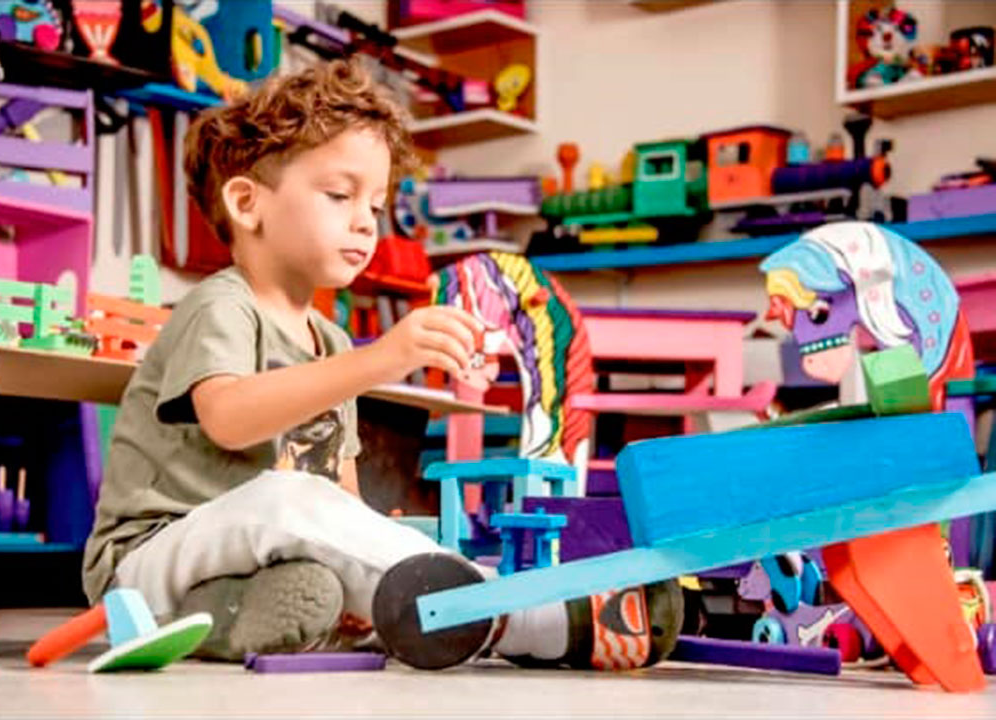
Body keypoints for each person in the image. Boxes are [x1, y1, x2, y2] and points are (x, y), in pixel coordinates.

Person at [82, 58, 680, 669]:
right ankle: (524, 615)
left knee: (324, 577)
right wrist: (383, 358)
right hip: (143, 562)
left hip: (246, 564)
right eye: (340, 196)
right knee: (283, 500)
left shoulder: (332, 343)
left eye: (377, 203)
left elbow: (335, 493)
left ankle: (257, 618)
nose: (366, 222)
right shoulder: (221, 306)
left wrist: (362, 534)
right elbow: (229, 420)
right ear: (247, 202)